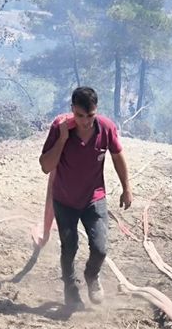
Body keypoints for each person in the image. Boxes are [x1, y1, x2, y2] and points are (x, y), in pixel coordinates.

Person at [39, 87, 132, 307]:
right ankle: (71, 289)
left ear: (96, 111)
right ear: (72, 110)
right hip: (64, 199)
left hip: (94, 198)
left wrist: (126, 187)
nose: (86, 122)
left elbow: (118, 157)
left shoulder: (106, 128)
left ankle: (92, 275)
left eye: (91, 116)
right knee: (69, 247)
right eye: (80, 116)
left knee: (100, 248)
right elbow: (45, 166)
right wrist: (61, 139)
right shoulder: (59, 127)